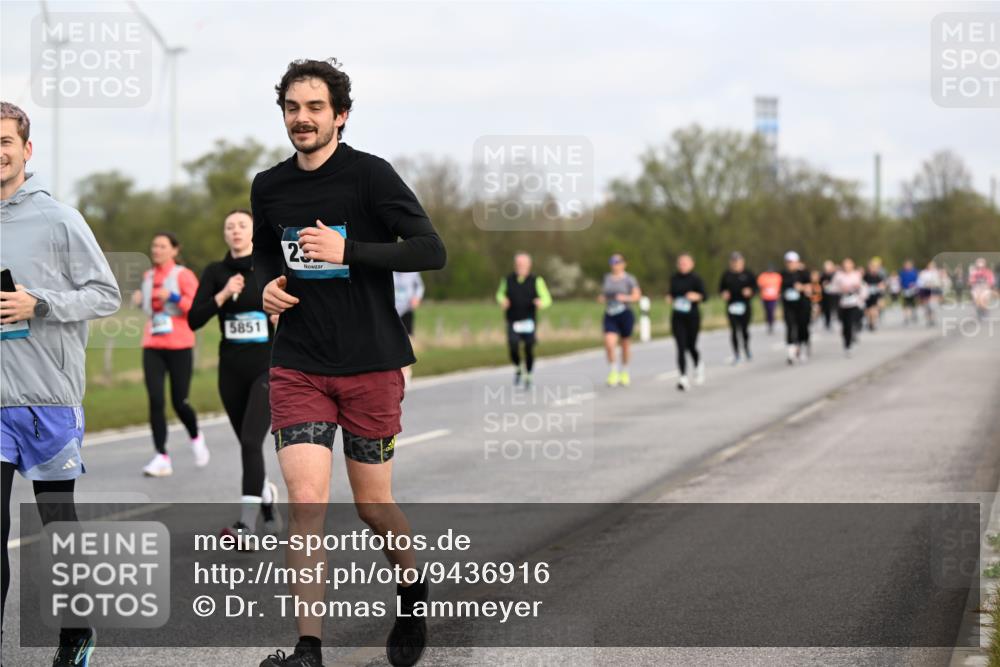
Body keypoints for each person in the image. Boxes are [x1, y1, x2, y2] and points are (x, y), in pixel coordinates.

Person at [251, 59, 446, 667]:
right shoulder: (269, 185)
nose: (301, 119)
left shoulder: (370, 177)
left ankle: (411, 591)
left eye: (314, 108)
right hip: (300, 363)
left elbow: (430, 250)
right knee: (305, 503)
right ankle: (308, 648)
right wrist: (265, 288)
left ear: (340, 115)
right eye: (291, 108)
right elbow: (261, 257)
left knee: (371, 507)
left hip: (370, 364)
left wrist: (350, 250)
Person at [1, 101, 121, 667]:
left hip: (48, 400)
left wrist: (38, 301)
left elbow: (106, 295)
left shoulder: (59, 219)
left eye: (6, 140)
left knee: (56, 527)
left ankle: (77, 630)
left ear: (27, 150)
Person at [188, 209, 281, 541]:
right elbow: (194, 319)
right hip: (230, 371)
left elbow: (297, 308)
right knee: (246, 443)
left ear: (254, 232)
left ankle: (246, 524)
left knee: (252, 441)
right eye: (230, 226)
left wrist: (279, 319)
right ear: (225, 234)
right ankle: (266, 494)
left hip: (266, 368)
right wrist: (223, 294)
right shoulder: (216, 272)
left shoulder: (270, 267)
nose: (236, 231)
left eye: (243, 225)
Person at [132, 232, 207, 477]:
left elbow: (197, 308)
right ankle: (161, 456)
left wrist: (173, 296)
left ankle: (196, 437)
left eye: (163, 246)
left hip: (180, 345)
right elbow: (149, 310)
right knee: (155, 400)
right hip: (153, 344)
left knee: (179, 402)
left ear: (174, 250)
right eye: (154, 246)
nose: (157, 250)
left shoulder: (183, 275)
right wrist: (139, 300)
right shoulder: (148, 276)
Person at [496, 252, 552, 389]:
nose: (520, 266)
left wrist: (541, 302)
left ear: (529, 265)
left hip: (528, 321)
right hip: (512, 320)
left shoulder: (536, 280)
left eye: (523, 264)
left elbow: (547, 298)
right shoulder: (507, 279)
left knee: (528, 347)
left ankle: (529, 375)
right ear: (515, 265)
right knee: (513, 346)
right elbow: (499, 294)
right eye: (518, 264)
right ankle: (518, 367)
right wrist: (502, 300)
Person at [599, 253, 641, 387]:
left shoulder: (629, 279)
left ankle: (625, 371)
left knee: (625, 344)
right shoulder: (607, 278)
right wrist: (602, 298)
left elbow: (637, 296)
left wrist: (625, 298)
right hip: (610, 313)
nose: (615, 265)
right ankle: (613, 371)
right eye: (612, 262)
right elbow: (604, 295)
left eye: (617, 262)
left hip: (625, 313)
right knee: (609, 343)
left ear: (623, 264)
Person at [668, 253, 707, 390]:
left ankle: (698, 364)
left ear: (691, 264)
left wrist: (695, 296)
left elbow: (704, 296)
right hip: (678, 317)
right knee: (680, 347)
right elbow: (672, 293)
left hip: (692, 316)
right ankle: (683, 377)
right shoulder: (674, 278)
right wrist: (670, 298)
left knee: (691, 346)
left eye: (685, 263)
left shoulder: (696, 279)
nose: (682, 266)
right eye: (680, 263)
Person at [718, 251, 756, 364]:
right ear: (731, 263)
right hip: (732, 306)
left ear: (742, 262)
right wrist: (723, 293)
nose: (736, 264)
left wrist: (750, 291)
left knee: (744, 330)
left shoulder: (748, 274)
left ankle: (746, 347)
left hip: (745, 305)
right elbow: (721, 289)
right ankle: (736, 354)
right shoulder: (726, 275)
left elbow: (755, 288)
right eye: (733, 262)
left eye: (738, 261)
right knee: (734, 330)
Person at [828, 258, 866, 356]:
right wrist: (840, 288)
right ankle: (846, 343)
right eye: (845, 265)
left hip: (854, 303)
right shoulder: (838, 275)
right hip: (842, 303)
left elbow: (863, 288)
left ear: (852, 265)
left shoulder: (856, 275)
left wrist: (858, 289)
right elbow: (831, 288)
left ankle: (849, 344)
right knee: (845, 326)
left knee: (851, 322)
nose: (847, 267)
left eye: (849, 265)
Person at [393, 271, 425, 386]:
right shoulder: (390, 270)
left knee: (408, 340)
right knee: (393, 340)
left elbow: (420, 287)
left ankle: (406, 371)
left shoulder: (413, 272)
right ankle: (396, 370)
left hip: (407, 309)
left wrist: (417, 298)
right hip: (392, 310)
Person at [780, 251, 812, 364]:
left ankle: (803, 347)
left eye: (792, 262)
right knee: (789, 326)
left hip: (802, 305)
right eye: (788, 262)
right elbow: (778, 288)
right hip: (789, 306)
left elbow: (810, 287)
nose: (790, 264)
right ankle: (791, 353)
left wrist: (802, 287)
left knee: (802, 327)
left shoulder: (803, 273)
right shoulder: (782, 274)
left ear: (797, 262)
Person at [862, 257, 887, 332]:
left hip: (875, 295)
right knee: (867, 311)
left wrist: (881, 288)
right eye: (871, 267)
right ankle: (869, 322)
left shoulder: (878, 276)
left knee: (874, 310)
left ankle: (873, 323)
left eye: (874, 267)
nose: (872, 268)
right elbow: (861, 284)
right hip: (867, 296)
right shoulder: (865, 275)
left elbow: (882, 285)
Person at [968, 257, 996, 322]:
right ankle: (979, 313)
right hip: (976, 288)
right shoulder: (974, 272)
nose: (980, 265)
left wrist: (988, 285)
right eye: (978, 263)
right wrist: (972, 283)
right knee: (977, 302)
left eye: (981, 263)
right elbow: (971, 280)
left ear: (984, 264)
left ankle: (984, 312)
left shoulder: (988, 271)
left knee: (983, 301)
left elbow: (991, 280)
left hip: (985, 288)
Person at [756, 264, 781, 334]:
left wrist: (779, 293)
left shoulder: (777, 276)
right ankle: (768, 323)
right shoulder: (763, 276)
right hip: (765, 297)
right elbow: (759, 285)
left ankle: (771, 324)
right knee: (767, 311)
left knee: (771, 310)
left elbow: (780, 285)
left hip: (774, 297)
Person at [917, 260, 944, 326]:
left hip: (934, 290)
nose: (931, 266)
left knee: (933, 306)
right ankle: (928, 320)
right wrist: (926, 285)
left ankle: (933, 319)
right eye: (930, 265)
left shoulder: (937, 273)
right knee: (927, 307)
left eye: (932, 265)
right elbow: (919, 282)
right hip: (925, 290)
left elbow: (940, 282)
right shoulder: (923, 273)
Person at [899, 260, 919, 325]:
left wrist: (914, 285)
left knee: (913, 303)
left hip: (913, 290)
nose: (907, 266)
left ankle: (914, 314)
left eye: (908, 265)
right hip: (905, 290)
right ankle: (906, 317)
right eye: (906, 265)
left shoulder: (914, 272)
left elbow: (917, 281)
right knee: (905, 304)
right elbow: (900, 281)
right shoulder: (902, 273)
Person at [819, 260, 838, 331]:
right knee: (826, 309)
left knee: (833, 308)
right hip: (825, 295)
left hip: (834, 295)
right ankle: (827, 322)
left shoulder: (835, 275)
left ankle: (834, 320)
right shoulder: (822, 275)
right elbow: (819, 284)